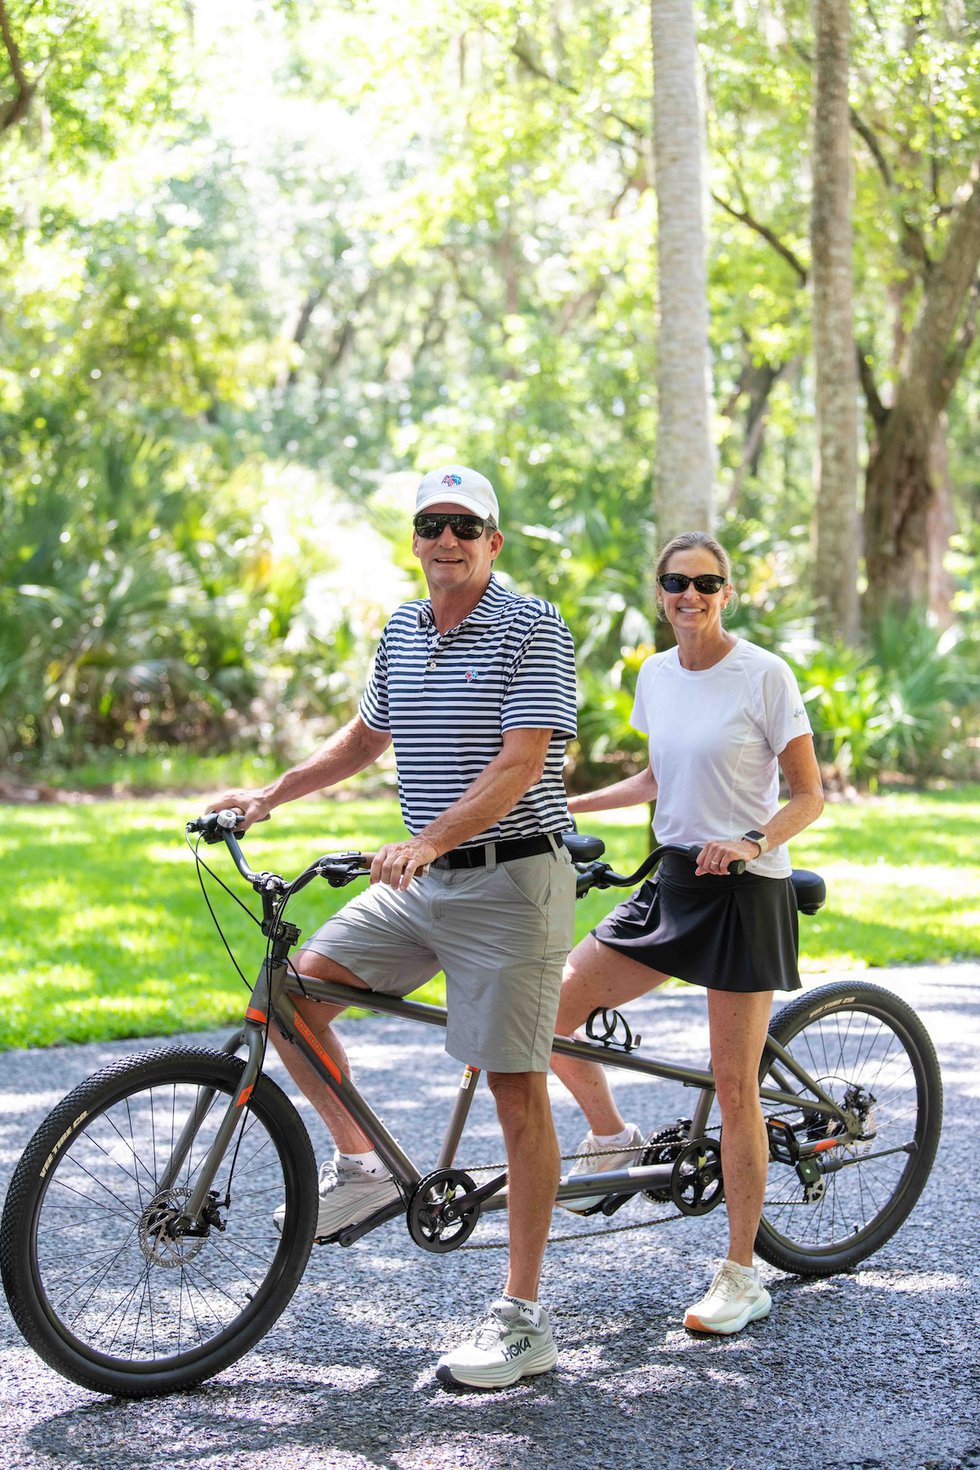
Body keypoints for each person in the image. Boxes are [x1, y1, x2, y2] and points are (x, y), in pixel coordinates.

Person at [207, 464, 578, 1390]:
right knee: (290, 999)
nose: (446, 539)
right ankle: (361, 1163)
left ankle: (525, 1320)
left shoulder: (534, 626)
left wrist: (430, 836)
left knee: (513, 1083)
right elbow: (366, 738)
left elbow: (522, 762)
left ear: (494, 541)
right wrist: (269, 797)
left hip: (511, 878)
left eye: (466, 525)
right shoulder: (404, 628)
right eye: (431, 524)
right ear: (414, 540)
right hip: (422, 880)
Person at [550, 530, 824, 1337]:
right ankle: (612, 1136)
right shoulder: (655, 675)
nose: (691, 595)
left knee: (731, 1085)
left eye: (707, 582)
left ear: (727, 592)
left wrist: (751, 842)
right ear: (661, 592)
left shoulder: (764, 674)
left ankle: (742, 1274)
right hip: (671, 880)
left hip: (743, 892)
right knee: (546, 1011)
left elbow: (808, 796)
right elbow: (655, 779)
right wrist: (566, 807)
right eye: (677, 582)